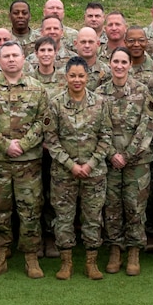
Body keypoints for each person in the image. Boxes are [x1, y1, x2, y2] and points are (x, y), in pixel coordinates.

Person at [0, 40, 48, 278]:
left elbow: (43, 122)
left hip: (28, 162)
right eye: (5, 55)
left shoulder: (37, 89)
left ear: (23, 58)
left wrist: (23, 144)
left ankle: (31, 258)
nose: (10, 59)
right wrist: (5, 145)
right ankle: (0, 256)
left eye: (15, 55)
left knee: (30, 209)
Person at [47, 57, 111, 280]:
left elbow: (106, 137)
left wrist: (91, 164)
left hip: (94, 173)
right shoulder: (55, 104)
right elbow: (51, 140)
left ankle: (91, 262)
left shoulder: (100, 103)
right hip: (64, 173)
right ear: (66, 77)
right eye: (72, 75)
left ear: (88, 77)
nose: (77, 80)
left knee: (93, 217)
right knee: (64, 217)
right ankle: (66, 263)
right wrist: (71, 165)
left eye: (81, 76)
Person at [101, 48, 153, 277]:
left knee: (135, 206)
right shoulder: (99, 92)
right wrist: (113, 154)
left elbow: (147, 126)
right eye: (116, 61)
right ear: (110, 63)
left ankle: (134, 250)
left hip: (137, 161)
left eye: (124, 62)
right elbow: (97, 127)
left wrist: (128, 154)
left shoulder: (142, 92)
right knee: (112, 206)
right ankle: (115, 249)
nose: (120, 66)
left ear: (130, 65)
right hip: (109, 160)